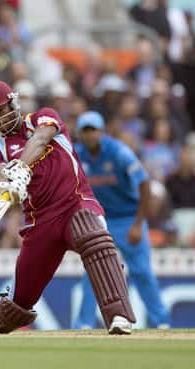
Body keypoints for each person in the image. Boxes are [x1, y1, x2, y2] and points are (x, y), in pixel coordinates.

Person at [0, 81, 136, 335]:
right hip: (40, 223)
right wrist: (7, 185)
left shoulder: (42, 117)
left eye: (2, 110)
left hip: (75, 204)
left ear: (14, 103)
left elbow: (42, 139)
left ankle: (118, 316)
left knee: (93, 238)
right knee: (23, 293)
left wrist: (21, 167)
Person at [73, 111, 170, 329]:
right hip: (99, 221)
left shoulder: (118, 152)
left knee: (142, 271)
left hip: (128, 218)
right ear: (80, 133)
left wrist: (138, 224)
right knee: (93, 272)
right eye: (86, 131)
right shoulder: (77, 155)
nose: (90, 136)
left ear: (101, 131)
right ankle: (84, 323)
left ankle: (161, 321)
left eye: (93, 130)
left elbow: (144, 182)